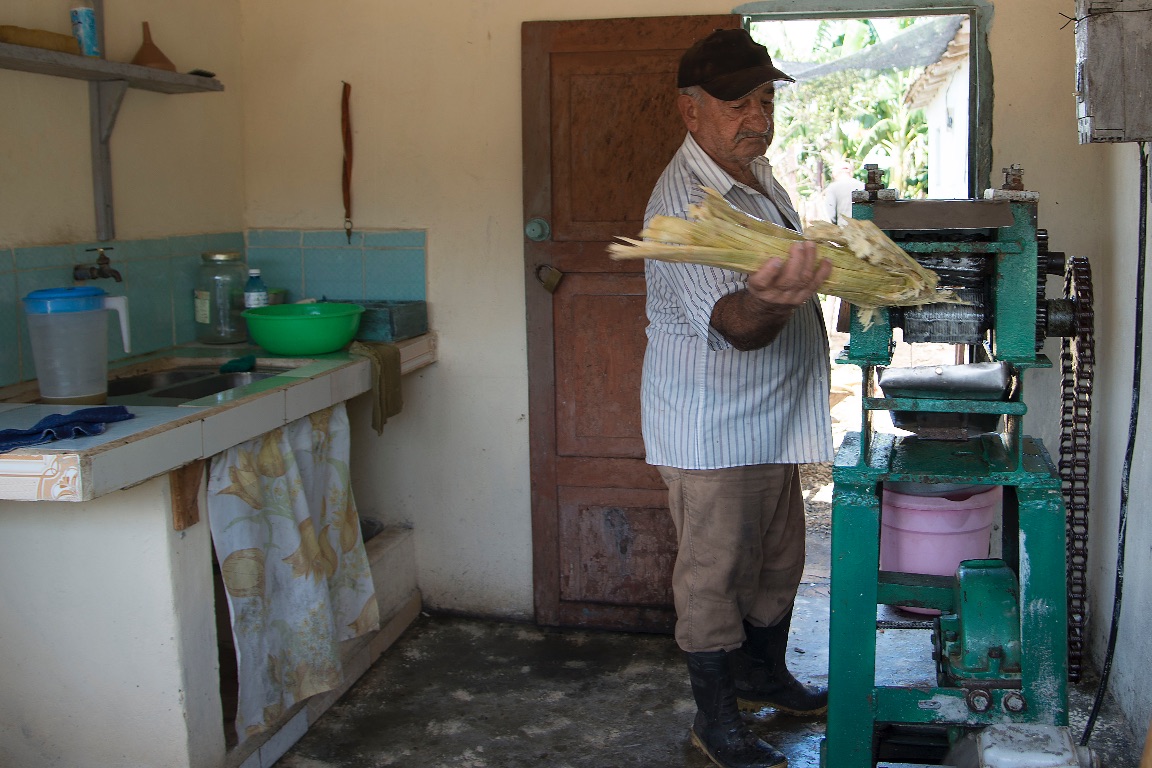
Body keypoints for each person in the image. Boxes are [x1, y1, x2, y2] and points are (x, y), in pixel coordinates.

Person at [641, 28, 833, 768]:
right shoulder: (685, 203)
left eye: (765, 98)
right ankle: (715, 724)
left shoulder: (754, 176)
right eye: (736, 103)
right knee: (714, 579)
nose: (758, 116)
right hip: (713, 429)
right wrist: (775, 300)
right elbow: (732, 324)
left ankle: (763, 676)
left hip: (772, 420)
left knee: (778, 563)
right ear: (691, 113)